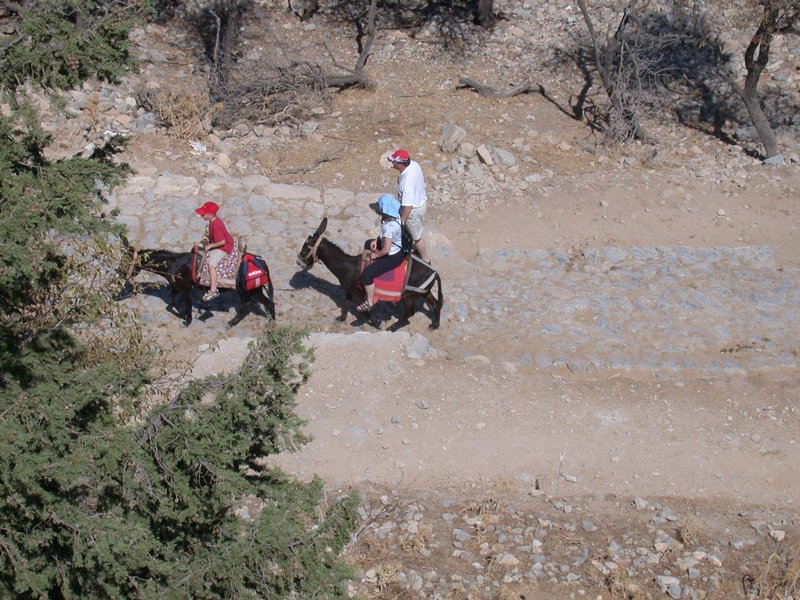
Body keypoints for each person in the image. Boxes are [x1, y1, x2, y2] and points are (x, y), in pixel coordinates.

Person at [357, 194, 405, 312]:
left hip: (393, 257)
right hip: (396, 247)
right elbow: (383, 233)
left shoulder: (390, 228)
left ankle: (370, 300)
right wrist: (376, 240)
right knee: (369, 243)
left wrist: (376, 255)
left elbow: (386, 250)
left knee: (366, 275)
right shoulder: (395, 217)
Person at [387, 149, 430, 263]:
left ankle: (425, 259)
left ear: (400, 164)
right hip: (421, 202)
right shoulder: (413, 164)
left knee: (417, 237)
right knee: (411, 231)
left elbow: (408, 205)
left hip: (413, 210)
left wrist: (401, 222)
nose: (392, 163)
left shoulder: (407, 184)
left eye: (394, 162)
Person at [195, 201, 234, 302]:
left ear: (210, 214)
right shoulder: (212, 221)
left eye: (204, 213)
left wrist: (210, 246)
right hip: (218, 243)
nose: (202, 215)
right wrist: (206, 236)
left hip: (224, 247)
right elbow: (212, 234)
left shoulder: (216, 224)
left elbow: (222, 241)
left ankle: (213, 290)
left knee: (211, 264)